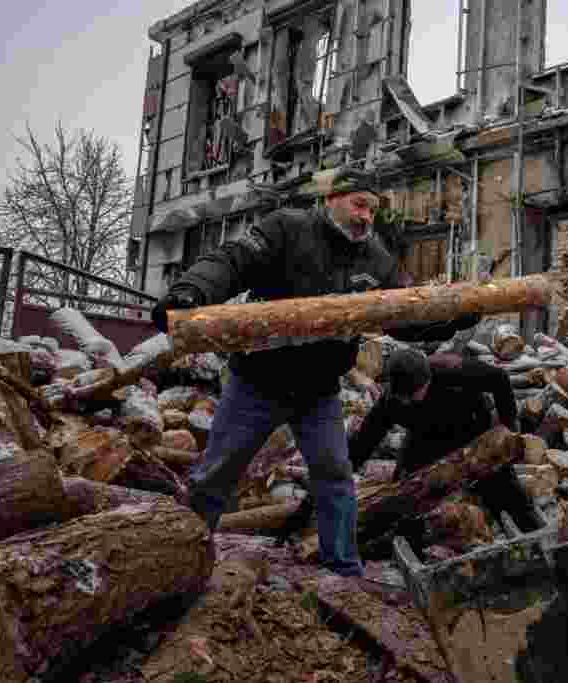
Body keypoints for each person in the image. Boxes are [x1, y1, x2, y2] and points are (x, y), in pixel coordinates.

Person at [150, 168, 478, 577]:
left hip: (318, 392)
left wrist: (452, 318)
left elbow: (405, 315)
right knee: (218, 472)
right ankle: (182, 559)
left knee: (335, 476)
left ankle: (343, 570)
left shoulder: (376, 259)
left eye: (373, 210)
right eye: (360, 205)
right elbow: (232, 262)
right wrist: (192, 291)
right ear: (332, 200)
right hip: (258, 381)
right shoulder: (287, 228)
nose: (366, 218)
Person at [349, 348, 541, 531]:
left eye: (413, 395)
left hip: (471, 427)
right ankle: (407, 536)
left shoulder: (452, 369)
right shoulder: (390, 402)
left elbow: (499, 379)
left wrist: (509, 429)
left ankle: (529, 528)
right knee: (406, 489)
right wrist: (343, 474)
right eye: (402, 398)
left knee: (501, 485)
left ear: (427, 380)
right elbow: (365, 441)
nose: (407, 401)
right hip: (426, 437)